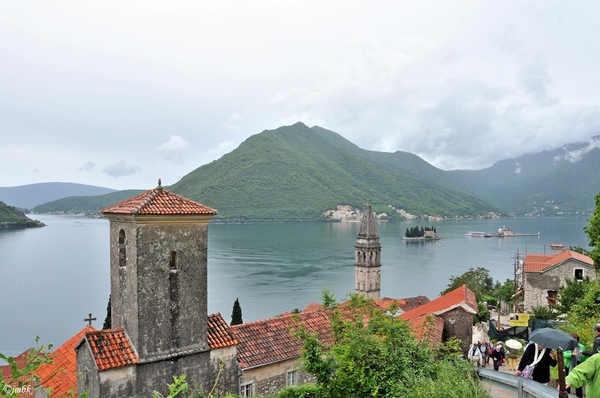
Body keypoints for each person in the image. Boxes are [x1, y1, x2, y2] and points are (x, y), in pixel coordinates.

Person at [564, 333, 586, 398]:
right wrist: (572, 354)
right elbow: (564, 355)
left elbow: (584, 357)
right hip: (568, 366)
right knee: (567, 382)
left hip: (578, 366)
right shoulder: (567, 346)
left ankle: (579, 396)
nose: (574, 341)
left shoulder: (582, 347)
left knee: (578, 383)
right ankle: (566, 395)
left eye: (575, 339)